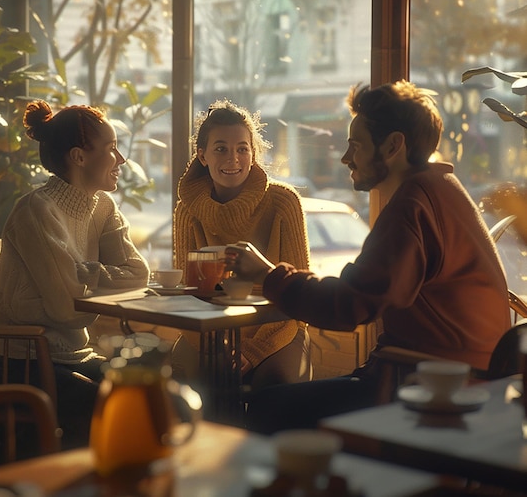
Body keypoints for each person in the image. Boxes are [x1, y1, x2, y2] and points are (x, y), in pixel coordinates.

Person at [225, 81, 511, 433]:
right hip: (461, 380)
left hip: (431, 388)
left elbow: (350, 304)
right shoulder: (439, 190)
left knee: (268, 407)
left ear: (393, 146)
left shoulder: (413, 206)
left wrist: (268, 275)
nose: (346, 158)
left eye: (355, 145)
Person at [0, 99, 150, 445]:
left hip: (71, 355)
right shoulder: (36, 210)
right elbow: (65, 308)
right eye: (112, 149)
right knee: (110, 407)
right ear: (79, 157)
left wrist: (85, 272)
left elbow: (138, 274)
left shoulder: (103, 205)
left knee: (145, 393)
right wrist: (89, 282)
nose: (120, 160)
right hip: (18, 362)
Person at [174, 99, 312, 390]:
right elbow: (187, 297)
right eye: (220, 148)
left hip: (278, 328)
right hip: (210, 331)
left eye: (242, 149)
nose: (233, 159)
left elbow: (299, 295)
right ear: (202, 156)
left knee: (274, 386)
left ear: (253, 154)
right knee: (180, 380)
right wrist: (215, 345)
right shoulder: (188, 210)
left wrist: (254, 350)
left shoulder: (283, 202)